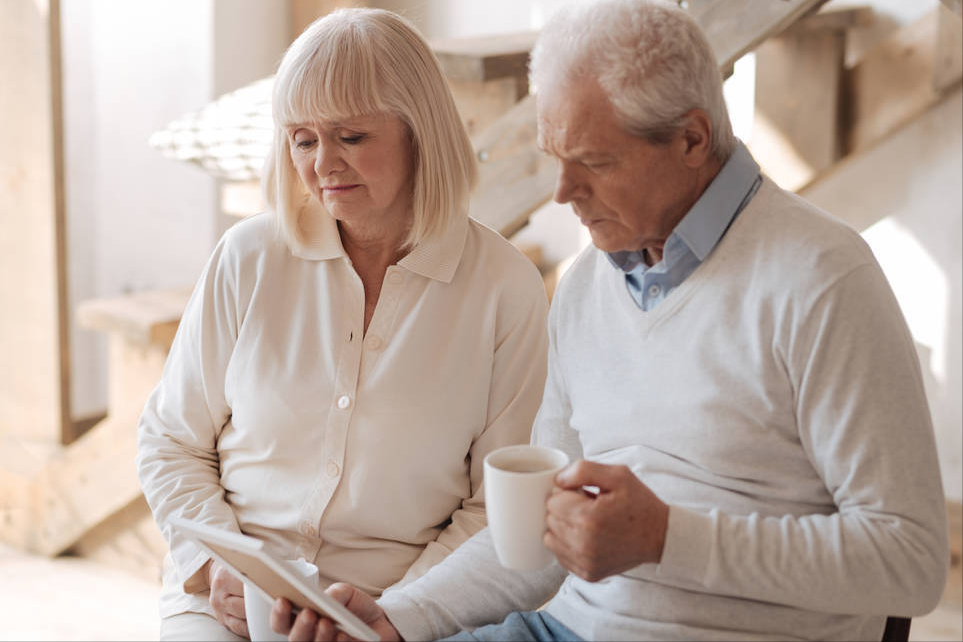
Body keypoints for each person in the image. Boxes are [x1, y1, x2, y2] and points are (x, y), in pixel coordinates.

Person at [271, 1, 951, 640]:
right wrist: (396, 618)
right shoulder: (587, 287)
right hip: (569, 627)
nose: (563, 193)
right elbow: (540, 535)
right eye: (555, 159)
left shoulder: (821, 280)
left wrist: (665, 539)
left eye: (594, 162)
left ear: (691, 139)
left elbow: (910, 561)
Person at [135, 8, 549, 641]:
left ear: (420, 132)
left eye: (350, 136)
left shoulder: (505, 288)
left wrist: (396, 615)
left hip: (399, 609)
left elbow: (496, 509)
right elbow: (172, 440)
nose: (324, 163)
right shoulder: (247, 258)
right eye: (303, 140)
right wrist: (213, 562)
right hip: (230, 601)